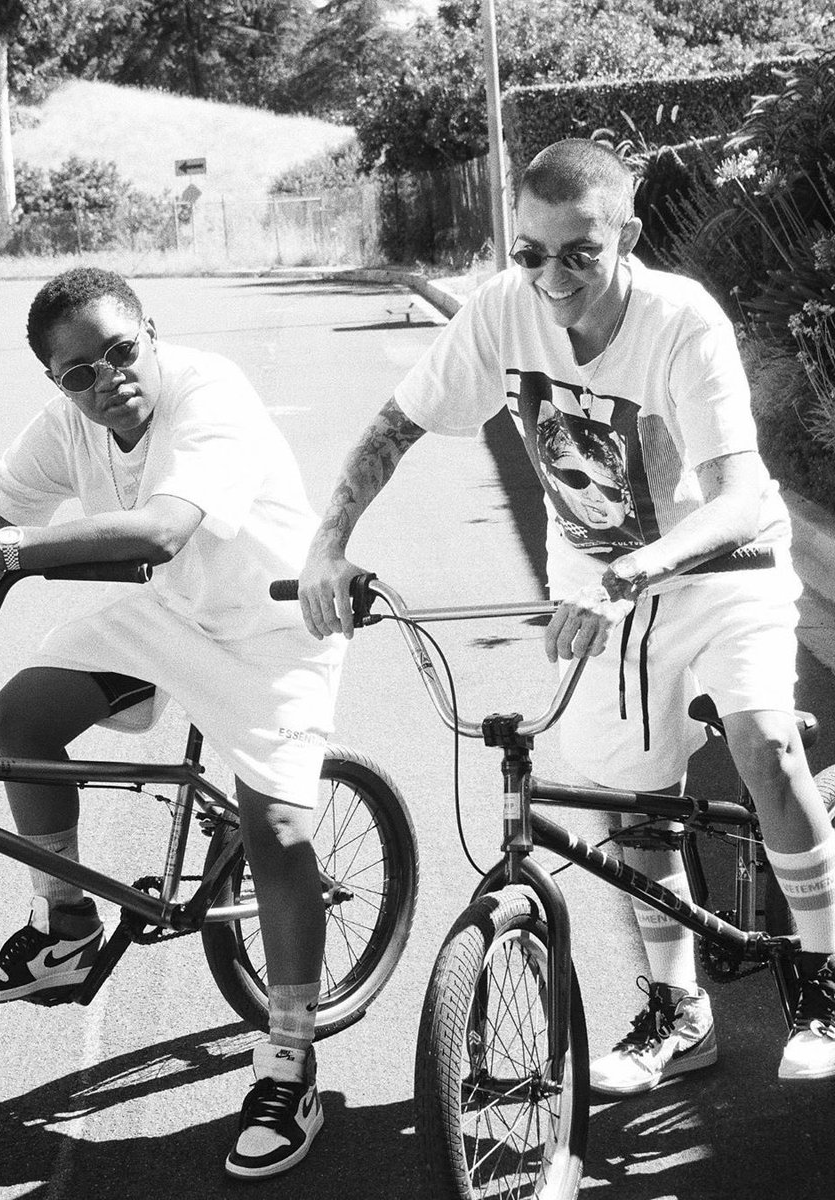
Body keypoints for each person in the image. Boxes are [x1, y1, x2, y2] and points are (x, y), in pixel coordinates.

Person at [298, 138, 835, 1091]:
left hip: (721, 569)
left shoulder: (682, 323)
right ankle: (680, 1013)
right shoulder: (503, 313)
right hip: (600, 586)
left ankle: (827, 978)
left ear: (627, 236)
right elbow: (395, 426)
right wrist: (327, 544)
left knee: (761, 743)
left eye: (577, 253)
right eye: (528, 253)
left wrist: (637, 568)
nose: (550, 277)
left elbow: (745, 499)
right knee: (633, 808)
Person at [0, 267, 343, 1178]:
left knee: (276, 829)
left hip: (275, 626)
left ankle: (291, 1060)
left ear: (152, 335)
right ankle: (68, 929)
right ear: (57, 383)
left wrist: (12, 550)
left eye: (120, 352)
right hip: (166, 615)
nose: (106, 380)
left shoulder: (212, 394)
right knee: (19, 715)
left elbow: (163, 527)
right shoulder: (66, 424)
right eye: (76, 373)